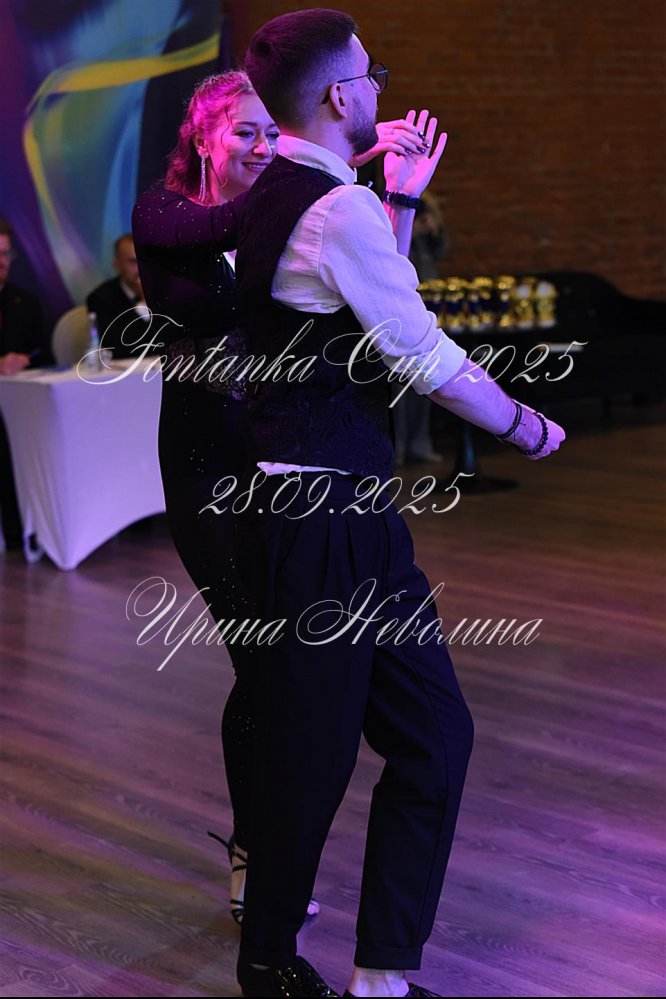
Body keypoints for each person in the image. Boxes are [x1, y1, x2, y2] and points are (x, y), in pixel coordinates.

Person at [230, 9, 566, 998]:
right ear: (342, 96)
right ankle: (268, 962)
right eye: (371, 75)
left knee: (433, 736)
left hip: (342, 512)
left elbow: (371, 313)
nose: (381, 88)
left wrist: (401, 198)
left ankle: (380, 977)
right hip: (318, 519)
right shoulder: (333, 208)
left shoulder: (293, 194)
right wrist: (521, 423)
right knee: (316, 755)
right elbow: (417, 352)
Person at [131, 70, 428, 929]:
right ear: (203, 138)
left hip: (285, 471)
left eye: (274, 132)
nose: (265, 148)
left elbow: (379, 297)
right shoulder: (168, 214)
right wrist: (340, 159)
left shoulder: (296, 217)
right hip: (206, 470)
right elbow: (233, 222)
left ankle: (265, 851)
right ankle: (254, 851)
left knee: (288, 668)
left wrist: (393, 197)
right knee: (259, 659)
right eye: (247, 133)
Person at [0, 216, 52, 551]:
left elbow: (44, 353)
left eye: (6, 254)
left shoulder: (25, 301)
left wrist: (24, 360)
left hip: (23, 403)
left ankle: (35, 530)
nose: (2, 263)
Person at [393, 191, 449, 464]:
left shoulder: (426, 230)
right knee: (399, 390)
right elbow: (393, 259)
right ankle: (398, 450)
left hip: (428, 306)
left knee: (426, 383)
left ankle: (419, 446)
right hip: (401, 310)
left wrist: (434, 227)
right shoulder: (394, 215)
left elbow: (442, 251)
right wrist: (409, 230)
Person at [86, 234, 155, 358]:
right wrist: (144, 303)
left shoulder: (164, 292)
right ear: (117, 265)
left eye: (145, 260)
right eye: (133, 261)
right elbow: (116, 348)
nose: (141, 268)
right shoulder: (101, 298)